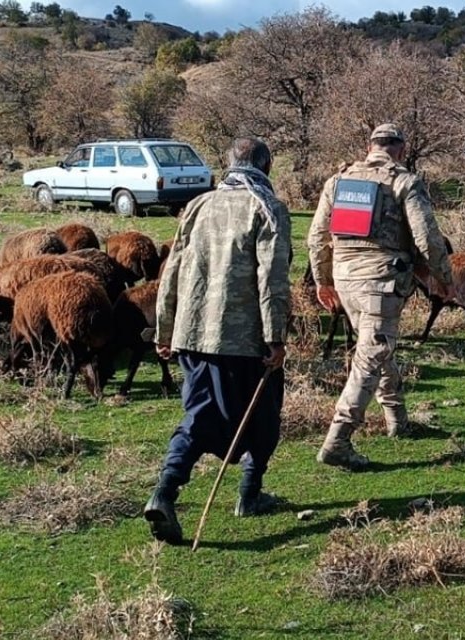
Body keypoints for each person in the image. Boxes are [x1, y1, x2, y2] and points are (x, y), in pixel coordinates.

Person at [144, 137, 292, 544]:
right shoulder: (268, 208)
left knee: (206, 413)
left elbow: (171, 268)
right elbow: (272, 279)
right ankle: (229, 492)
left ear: (228, 164)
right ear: (267, 165)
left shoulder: (197, 205)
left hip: (192, 334)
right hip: (243, 338)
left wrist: (165, 328)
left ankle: (192, 491)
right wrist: (276, 337)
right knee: (254, 414)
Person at [308, 123, 454, 471]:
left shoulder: (338, 181)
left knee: (376, 347)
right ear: (401, 149)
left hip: (345, 279)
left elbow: (316, 237)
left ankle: (397, 420)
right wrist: (445, 278)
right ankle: (338, 440)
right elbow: (427, 239)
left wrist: (323, 281)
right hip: (381, 282)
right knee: (371, 356)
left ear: (369, 146)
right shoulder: (405, 181)